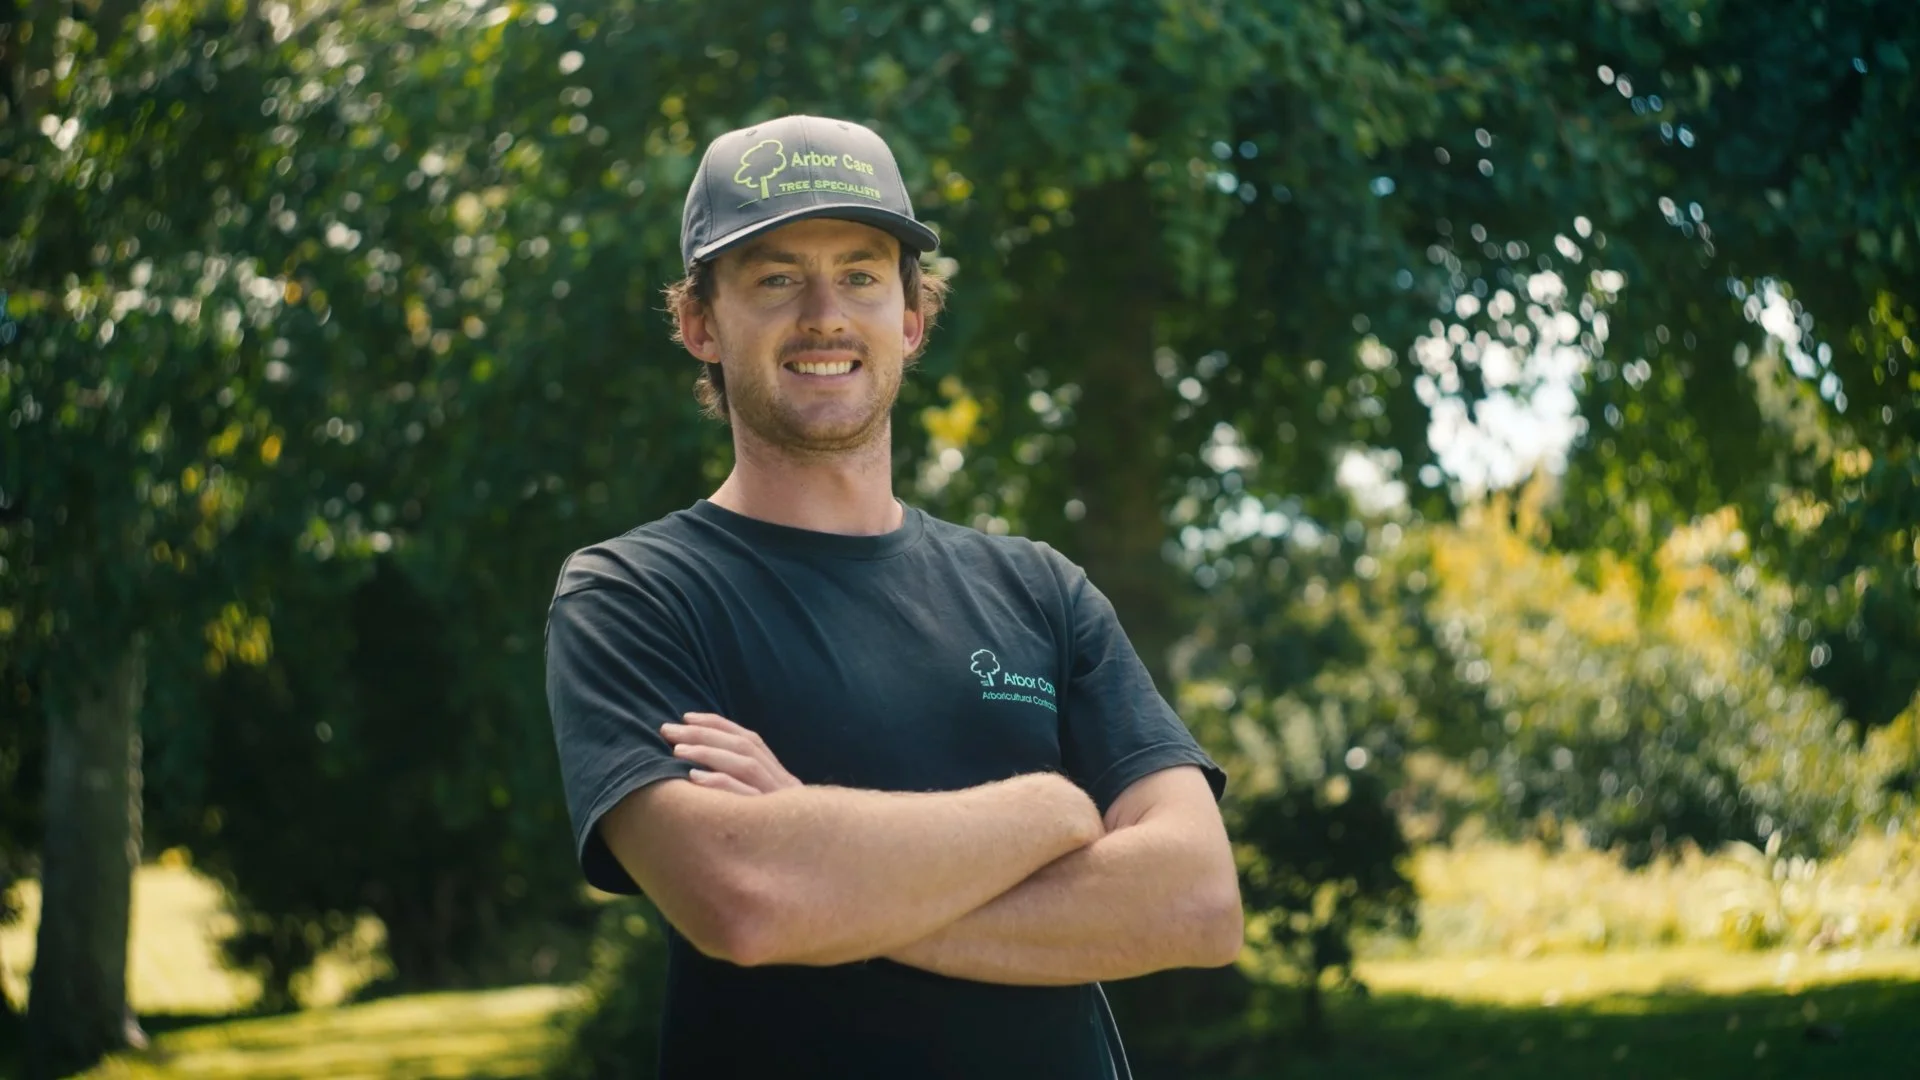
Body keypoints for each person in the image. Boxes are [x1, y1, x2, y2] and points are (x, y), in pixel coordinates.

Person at [544, 114, 1241, 1079]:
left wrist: (822, 862)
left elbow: (1197, 903)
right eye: (776, 278)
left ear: (910, 320)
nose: (825, 314)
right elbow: (746, 905)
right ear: (701, 324)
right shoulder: (634, 596)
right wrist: (1050, 810)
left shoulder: (1040, 589)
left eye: (862, 276)